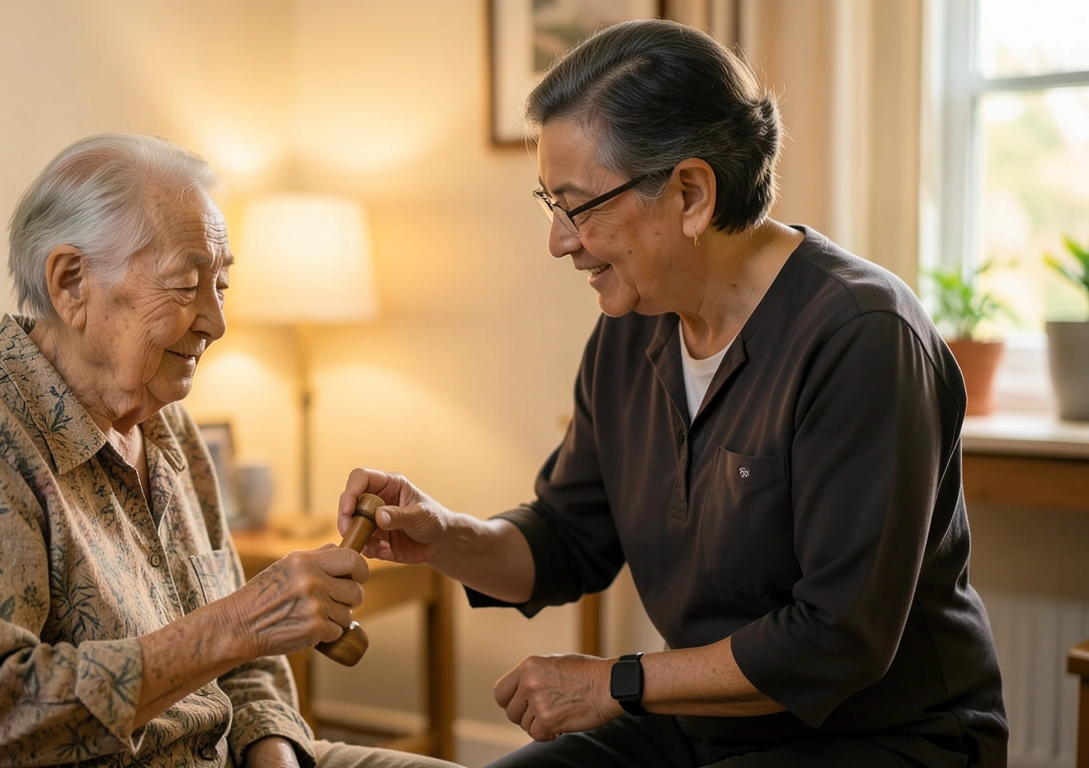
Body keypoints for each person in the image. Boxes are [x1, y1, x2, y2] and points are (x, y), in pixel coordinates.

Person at [338, 19, 1007, 768]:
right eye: (548, 203)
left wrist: (615, 683)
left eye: (578, 205)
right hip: (703, 726)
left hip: (884, 739)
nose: (559, 240)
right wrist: (444, 536)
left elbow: (834, 641)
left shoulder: (862, 336)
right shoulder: (634, 326)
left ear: (690, 193)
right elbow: (566, 540)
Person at [0, 133, 462, 768]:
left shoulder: (172, 432)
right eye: (186, 284)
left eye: (221, 284)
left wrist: (273, 754)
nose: (216, 321)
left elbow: (249, 669)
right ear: (71, 283)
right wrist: (239, 622)